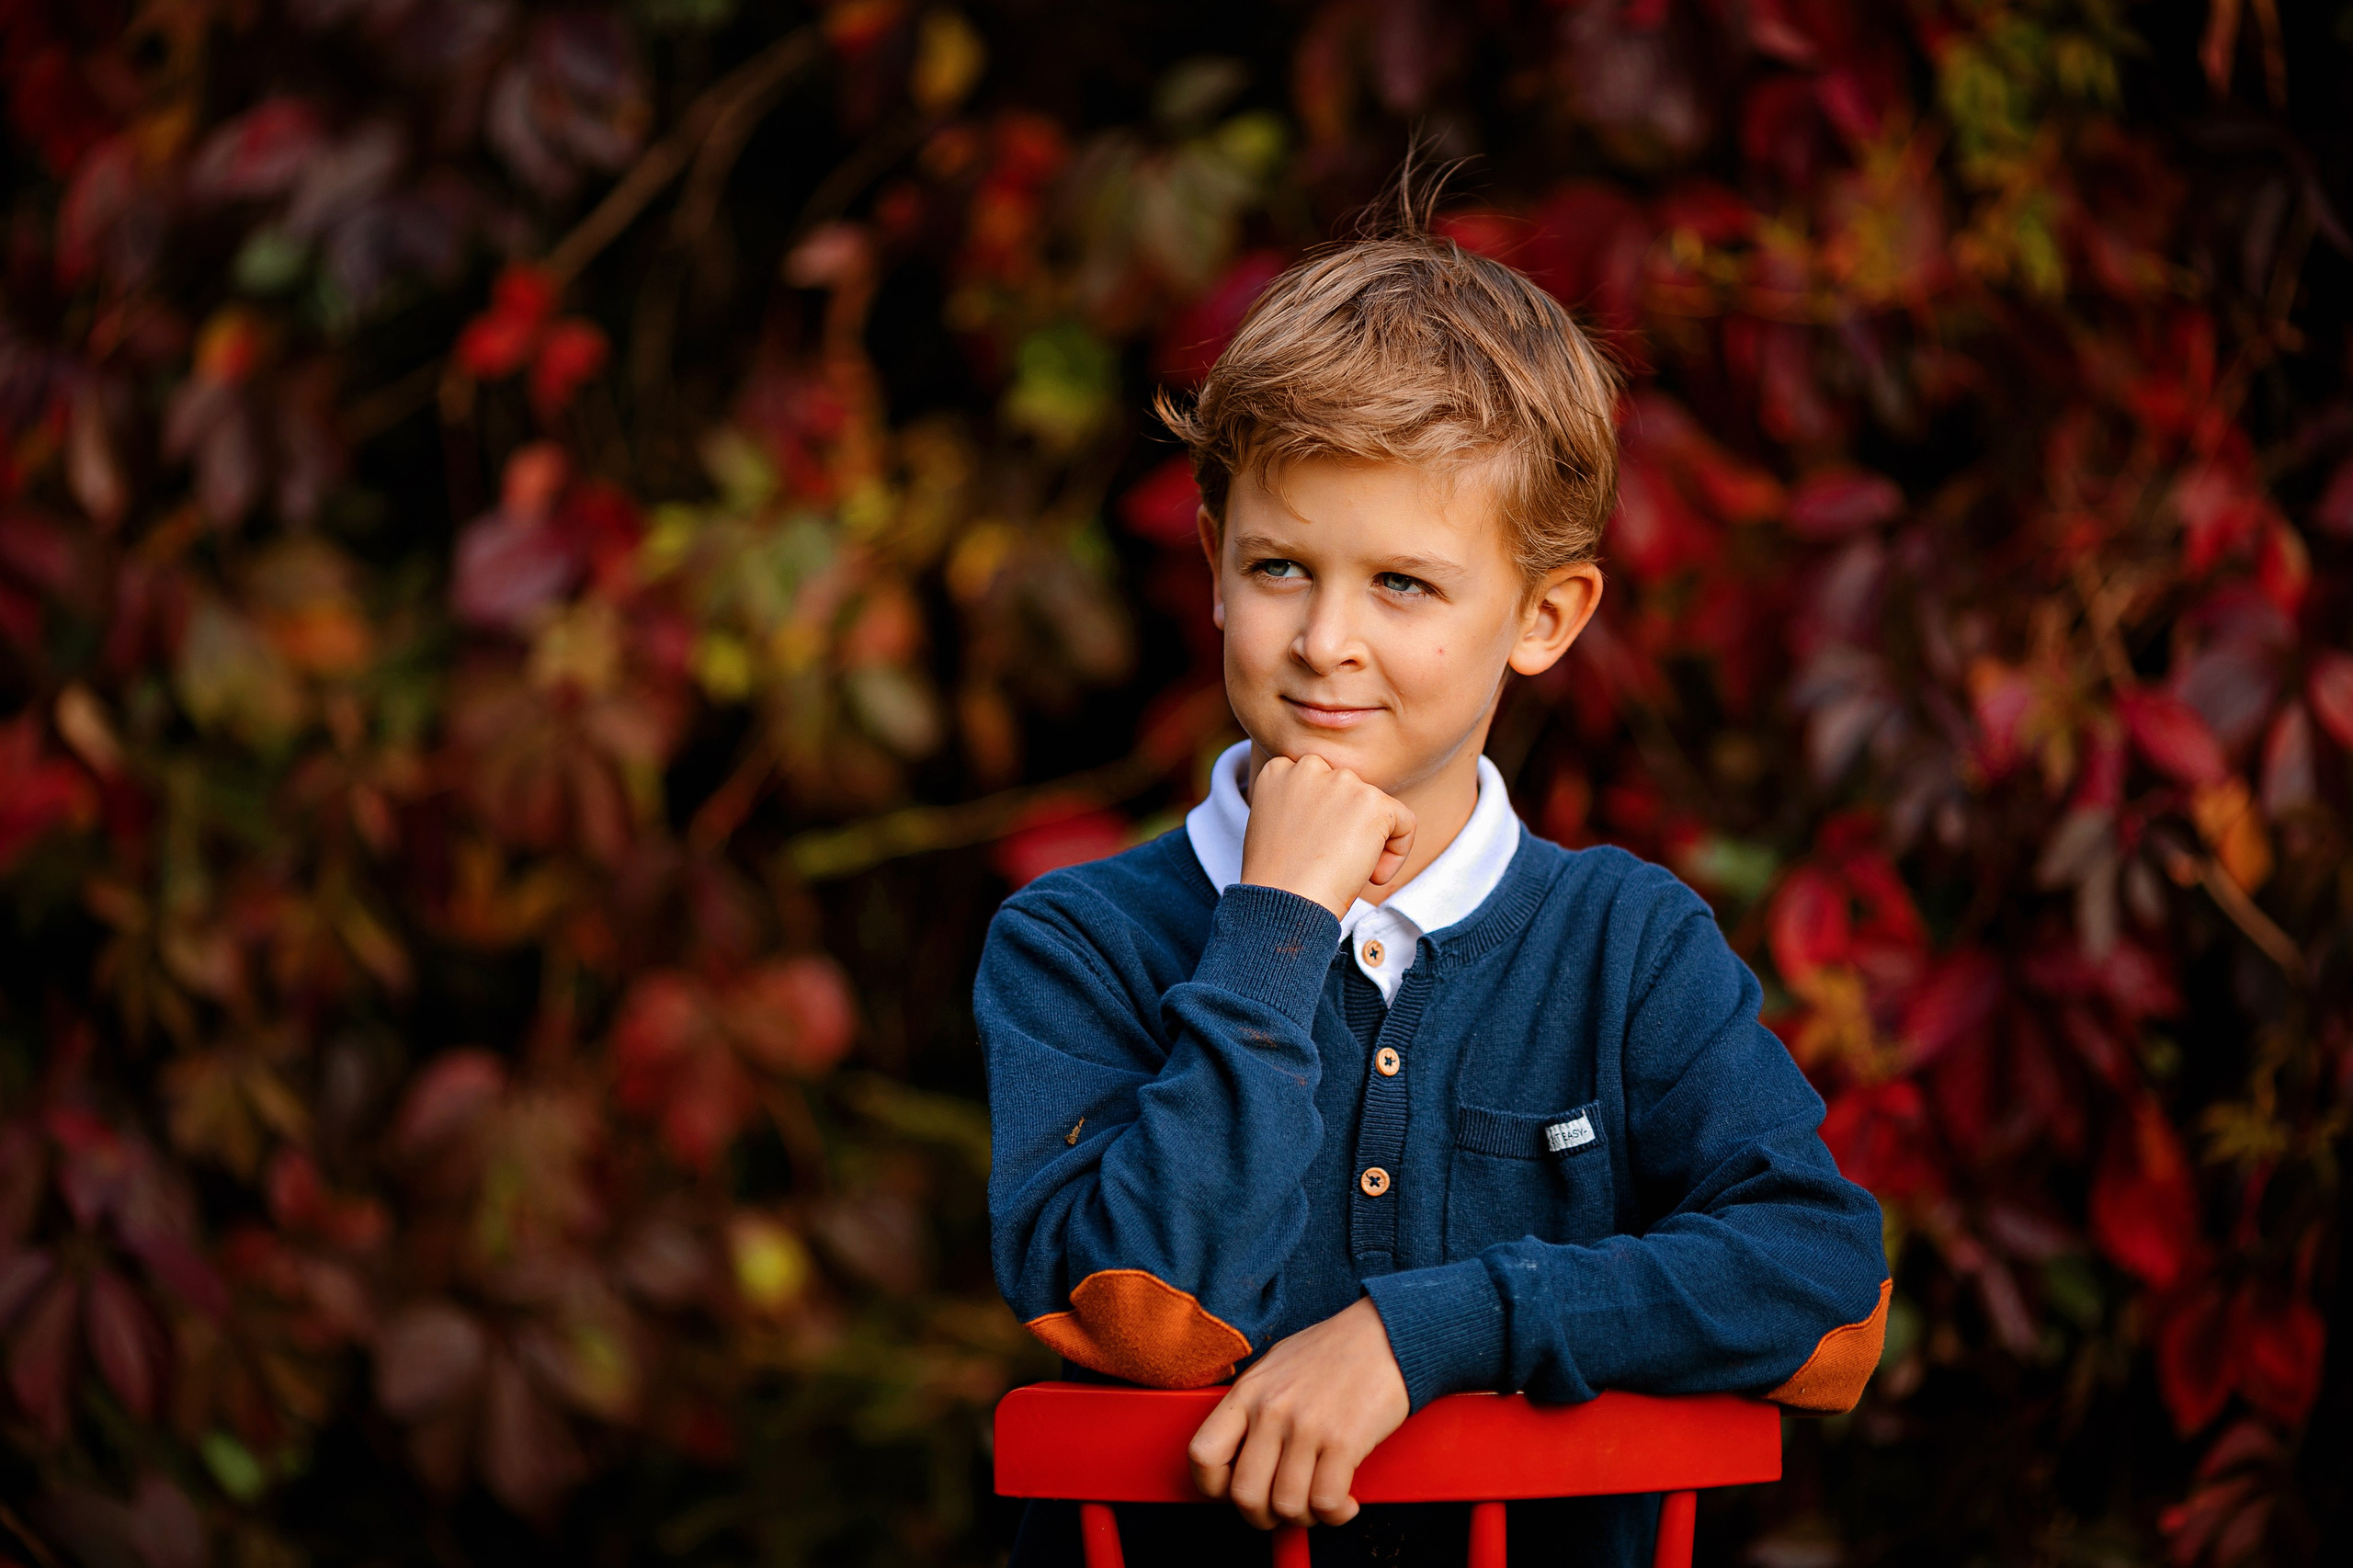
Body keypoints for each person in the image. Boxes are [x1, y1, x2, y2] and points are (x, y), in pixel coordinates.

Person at [977, 202, 1890, 1567]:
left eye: (1404, 583)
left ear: (1544, 616)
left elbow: (1827, 1294)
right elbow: (1148, 1311)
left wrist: (1432, 1331)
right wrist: (1272, 931)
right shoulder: (1078, 943)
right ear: (1215, 562)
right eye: (1281, 567)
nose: (1326, 640)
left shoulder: (1628, 948)